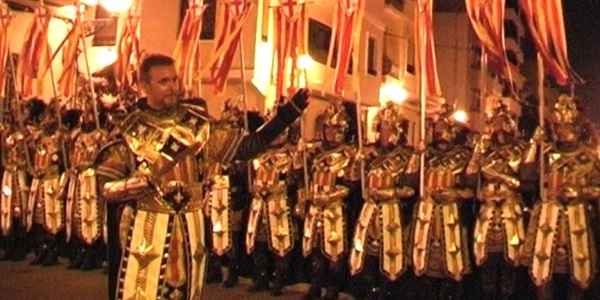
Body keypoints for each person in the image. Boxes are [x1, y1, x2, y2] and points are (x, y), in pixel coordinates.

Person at [97, 53, 309, 300]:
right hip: (147, 229)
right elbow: (106, 187)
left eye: (174, 80)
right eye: (163, 82)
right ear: (144, 85)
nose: (172, 87)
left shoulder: (195, 124)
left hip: (190, 229)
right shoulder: (130, 128)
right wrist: (136, 183)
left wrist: (285, 117)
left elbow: (249, 146)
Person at [520, 94, 600, 299]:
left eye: (567, 128)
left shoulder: (590, 155)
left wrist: (580, 192)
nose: (562, 134)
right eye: (559, 129)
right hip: (549, 219)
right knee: (543, 274)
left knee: (579, 276)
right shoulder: (547, 152)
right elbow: (526, 175)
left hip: (578, 221)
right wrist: (534, 144)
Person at [348, 101, 418, 300]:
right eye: (383, 126)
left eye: (389, 127)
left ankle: (387, 292)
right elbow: (353, 181)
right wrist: (357, 161)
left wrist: (390, 194)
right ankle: (368, 290)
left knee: (391, 256)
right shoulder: (369, 152)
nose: (385, 131)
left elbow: (410, 189)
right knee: (368, 254)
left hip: (392, 212)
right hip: (370, 211)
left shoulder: (404, 155)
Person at [465, 99, 531, 299]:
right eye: (495, 123)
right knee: (486, 260)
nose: (499, 128)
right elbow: (470, 177)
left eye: (503, 123)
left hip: (510, 209)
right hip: (488, 211)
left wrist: (503, 177)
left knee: (510, 261)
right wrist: (478, 151)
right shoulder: (485, 148)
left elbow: (528, 181)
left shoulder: (520, 148)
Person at [411, 104, 476, 299]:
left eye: (444, 131)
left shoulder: (463, 156)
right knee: (424, 265)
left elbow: (471, 188)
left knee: (452, 265)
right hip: (427, 215)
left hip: (452, 215)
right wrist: (416, 155)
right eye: (437, 131)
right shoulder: (427, 155)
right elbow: (411, 180)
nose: (440, 135)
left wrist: (455, 195)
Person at [297, 99, 358, 300]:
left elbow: (350, 186)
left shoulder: (349, 154)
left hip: (335, 209)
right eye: (329, 129)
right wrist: (300, 154)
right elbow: (301, 176)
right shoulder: (315, 151)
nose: (332, 134)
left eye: (337, 129)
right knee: (314, 249)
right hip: (315, 207)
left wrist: (330, 196)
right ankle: (315, 285)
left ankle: (333, 288)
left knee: (334, 251)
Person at [244, 102, 302, 296]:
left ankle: (279, 279)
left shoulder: (291, 153)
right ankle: (260, 277)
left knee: (281, 243)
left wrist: (300, 202)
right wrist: (254, 188)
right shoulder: (259, 153)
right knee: (259, 242)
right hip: (260, 203)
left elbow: (299, 181)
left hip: (279, 204)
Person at [64, 107, 109, 270]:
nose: (86, 117)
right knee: (78, 215)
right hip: (78, 177)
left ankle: (93, 254)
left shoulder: (101, 135)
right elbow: (70, 153)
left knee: (92, 216)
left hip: (92, 178)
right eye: (84, 114)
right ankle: (81, 252)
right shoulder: (76, 134)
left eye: (89, 114)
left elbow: (105, 156)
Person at [25, 99, 68, 267]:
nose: (47, 120)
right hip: (39, 179)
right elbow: (29, 147)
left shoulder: (61, 135)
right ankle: (40, 251)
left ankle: (52, 252)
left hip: (52, 180)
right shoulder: (38, 136)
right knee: (38, 217)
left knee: (52, 217)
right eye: (46, 116)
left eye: (51, 116)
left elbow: (63, 158)